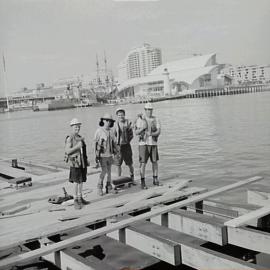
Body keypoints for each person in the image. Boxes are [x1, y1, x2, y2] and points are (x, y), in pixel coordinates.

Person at [134, 103, 161, 189]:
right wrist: (142, 128)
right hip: (143, 144)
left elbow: (159, 131)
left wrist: (151, 134)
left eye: (150, 109)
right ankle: (143, 182)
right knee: (143, 163)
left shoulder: (156, 119)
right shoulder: (140, 119)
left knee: (155, 162)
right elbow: (136, 132)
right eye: (147, 109)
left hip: (153, 143)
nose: (149, 111)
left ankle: (155, 179)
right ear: (145, 110)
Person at [65, 118, 89, 210]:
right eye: (75, 126)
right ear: (72, 127)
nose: (77, 128)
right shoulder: (70, 138)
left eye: (78, 126)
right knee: (76, 182)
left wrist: (86, 160)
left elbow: (83, 150)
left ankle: (80, 198)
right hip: (75, 163)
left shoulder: (79, 137)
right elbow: (67, 151)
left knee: (81, 180)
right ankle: (75, 200)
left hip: (82, 162)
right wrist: (77, 147)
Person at [94, 113, 117, 196]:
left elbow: (114, 142)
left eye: (110, 121)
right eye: (106, 120)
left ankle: (109, 187)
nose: (108, 122)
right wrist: (96, 158)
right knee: (104, 171)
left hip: (110, 154)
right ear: (103, 121)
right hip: (102, 156)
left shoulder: (111, 131)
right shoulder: (99, 131)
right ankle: (99, 187)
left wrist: (116, 153)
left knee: (109, 171)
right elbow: (95, 144)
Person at [113, 108, 136, 184]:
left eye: (122, 115)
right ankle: (119, 180)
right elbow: (113, 136)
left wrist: (127, 141)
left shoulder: (128, 123)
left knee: (130, 163)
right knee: (118, 164)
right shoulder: (115, 124)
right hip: (118, 147)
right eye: (119, 115)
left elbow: (131, 134)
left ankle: (132, 178)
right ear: (117, 116)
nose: (120, 116)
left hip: (126, 146)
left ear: (124, 115)